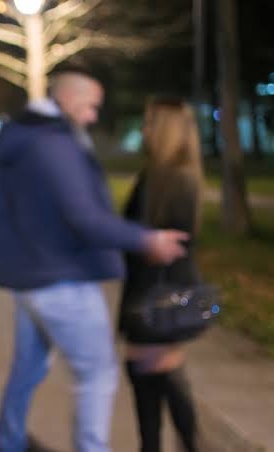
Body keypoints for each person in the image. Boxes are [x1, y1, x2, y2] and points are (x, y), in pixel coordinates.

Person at [0, 70, 189, 452]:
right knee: (97, 375)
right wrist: (147, 239)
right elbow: (83, 217)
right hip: (62, 279)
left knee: (27, 371)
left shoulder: (25, 135)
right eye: (91, 105)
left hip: (31, 277)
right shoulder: (53, 143)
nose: (94, 116)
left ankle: (9, 442)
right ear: (67, 98)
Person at [119, 98, 204, 452]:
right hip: (156, 294)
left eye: (150, 122)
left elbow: (167, 247)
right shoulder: (169, 174)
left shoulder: (170, 179)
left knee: (156, 378)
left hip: (156, 296)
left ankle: (187, 445)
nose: (144, 129)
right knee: (156, 378)